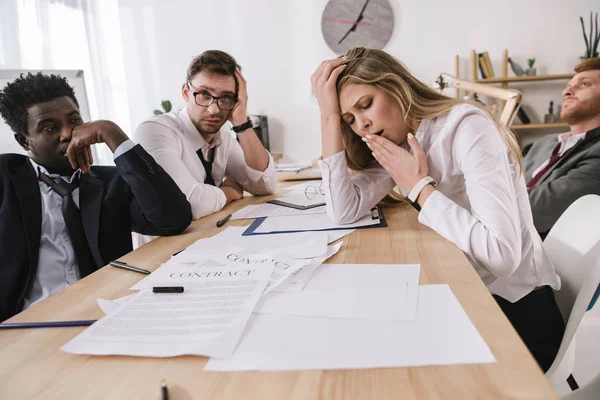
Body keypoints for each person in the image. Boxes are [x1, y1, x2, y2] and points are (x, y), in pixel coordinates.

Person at [311, 47, 563, 372]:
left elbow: (502, 256)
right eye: (350, 119)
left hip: (519, 315)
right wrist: (328, 117)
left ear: (396, 86)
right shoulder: (403, 139)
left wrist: (419, 188)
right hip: (466, 292)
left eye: (366, 105)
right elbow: (344, 211)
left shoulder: (466, 127)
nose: (363, 125)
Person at [0, 72, 192, 321]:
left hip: (105, 312)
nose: (67, 134)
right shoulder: (5, 177)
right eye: (50, 127)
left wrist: (112, 133)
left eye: (74, 120)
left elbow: (174, 220)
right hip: (26, 322)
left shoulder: (111, 181)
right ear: (24, 141)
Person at [134, 50, 276, 220]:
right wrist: (228, 193)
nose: (213, 110)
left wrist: (241, 122)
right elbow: (188, 204)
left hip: (205, 236)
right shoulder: (155, 131)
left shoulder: (222, 136)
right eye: (204, 95)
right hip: (166, 245)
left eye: (226, 98)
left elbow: (264, 185)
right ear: (186, 92)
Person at [523, 57, 600, 239]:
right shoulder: (540, 144)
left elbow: (540, 209)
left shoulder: (597, 151)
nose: (567, 91)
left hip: (538, 254)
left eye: (584, 84)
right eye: (568, 85)